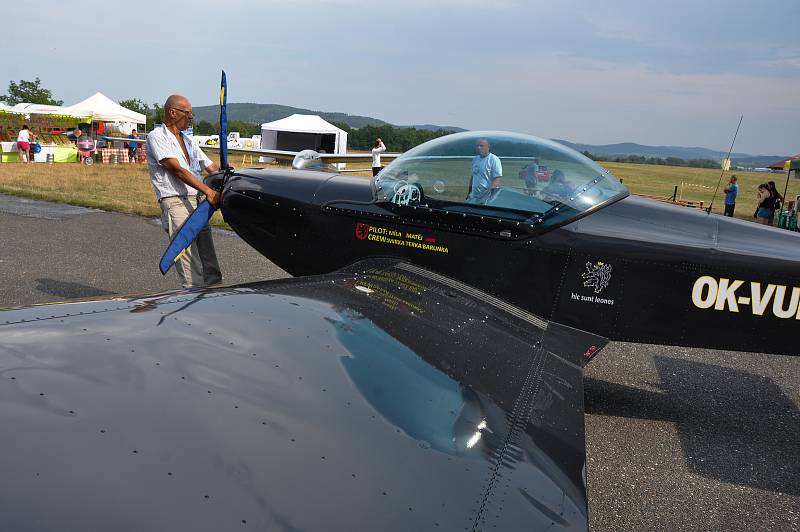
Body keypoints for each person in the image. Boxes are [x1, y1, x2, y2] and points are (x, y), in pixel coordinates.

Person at [146, 94, 222, 288]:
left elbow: (211, 166)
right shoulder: (157, 137)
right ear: (173, 113)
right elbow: (177, 169)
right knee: (189, 262)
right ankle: (192, 304)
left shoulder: (188, 141)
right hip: (176, 202)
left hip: (198, 204)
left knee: (208, 260)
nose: (190, 118)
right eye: (188, 113)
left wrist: (233, 176)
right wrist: (209, 191)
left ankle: (213, 297)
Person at [466, 138, 502, 203]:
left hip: (488, 198)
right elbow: (473, 176)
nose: (479, 148)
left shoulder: (494, 159)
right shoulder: (475, 159)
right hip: (474, 196)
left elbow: (497, 179)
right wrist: (469, 192)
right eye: (477, 146)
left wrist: (487, 196)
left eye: (481, 146)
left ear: (488, 147)